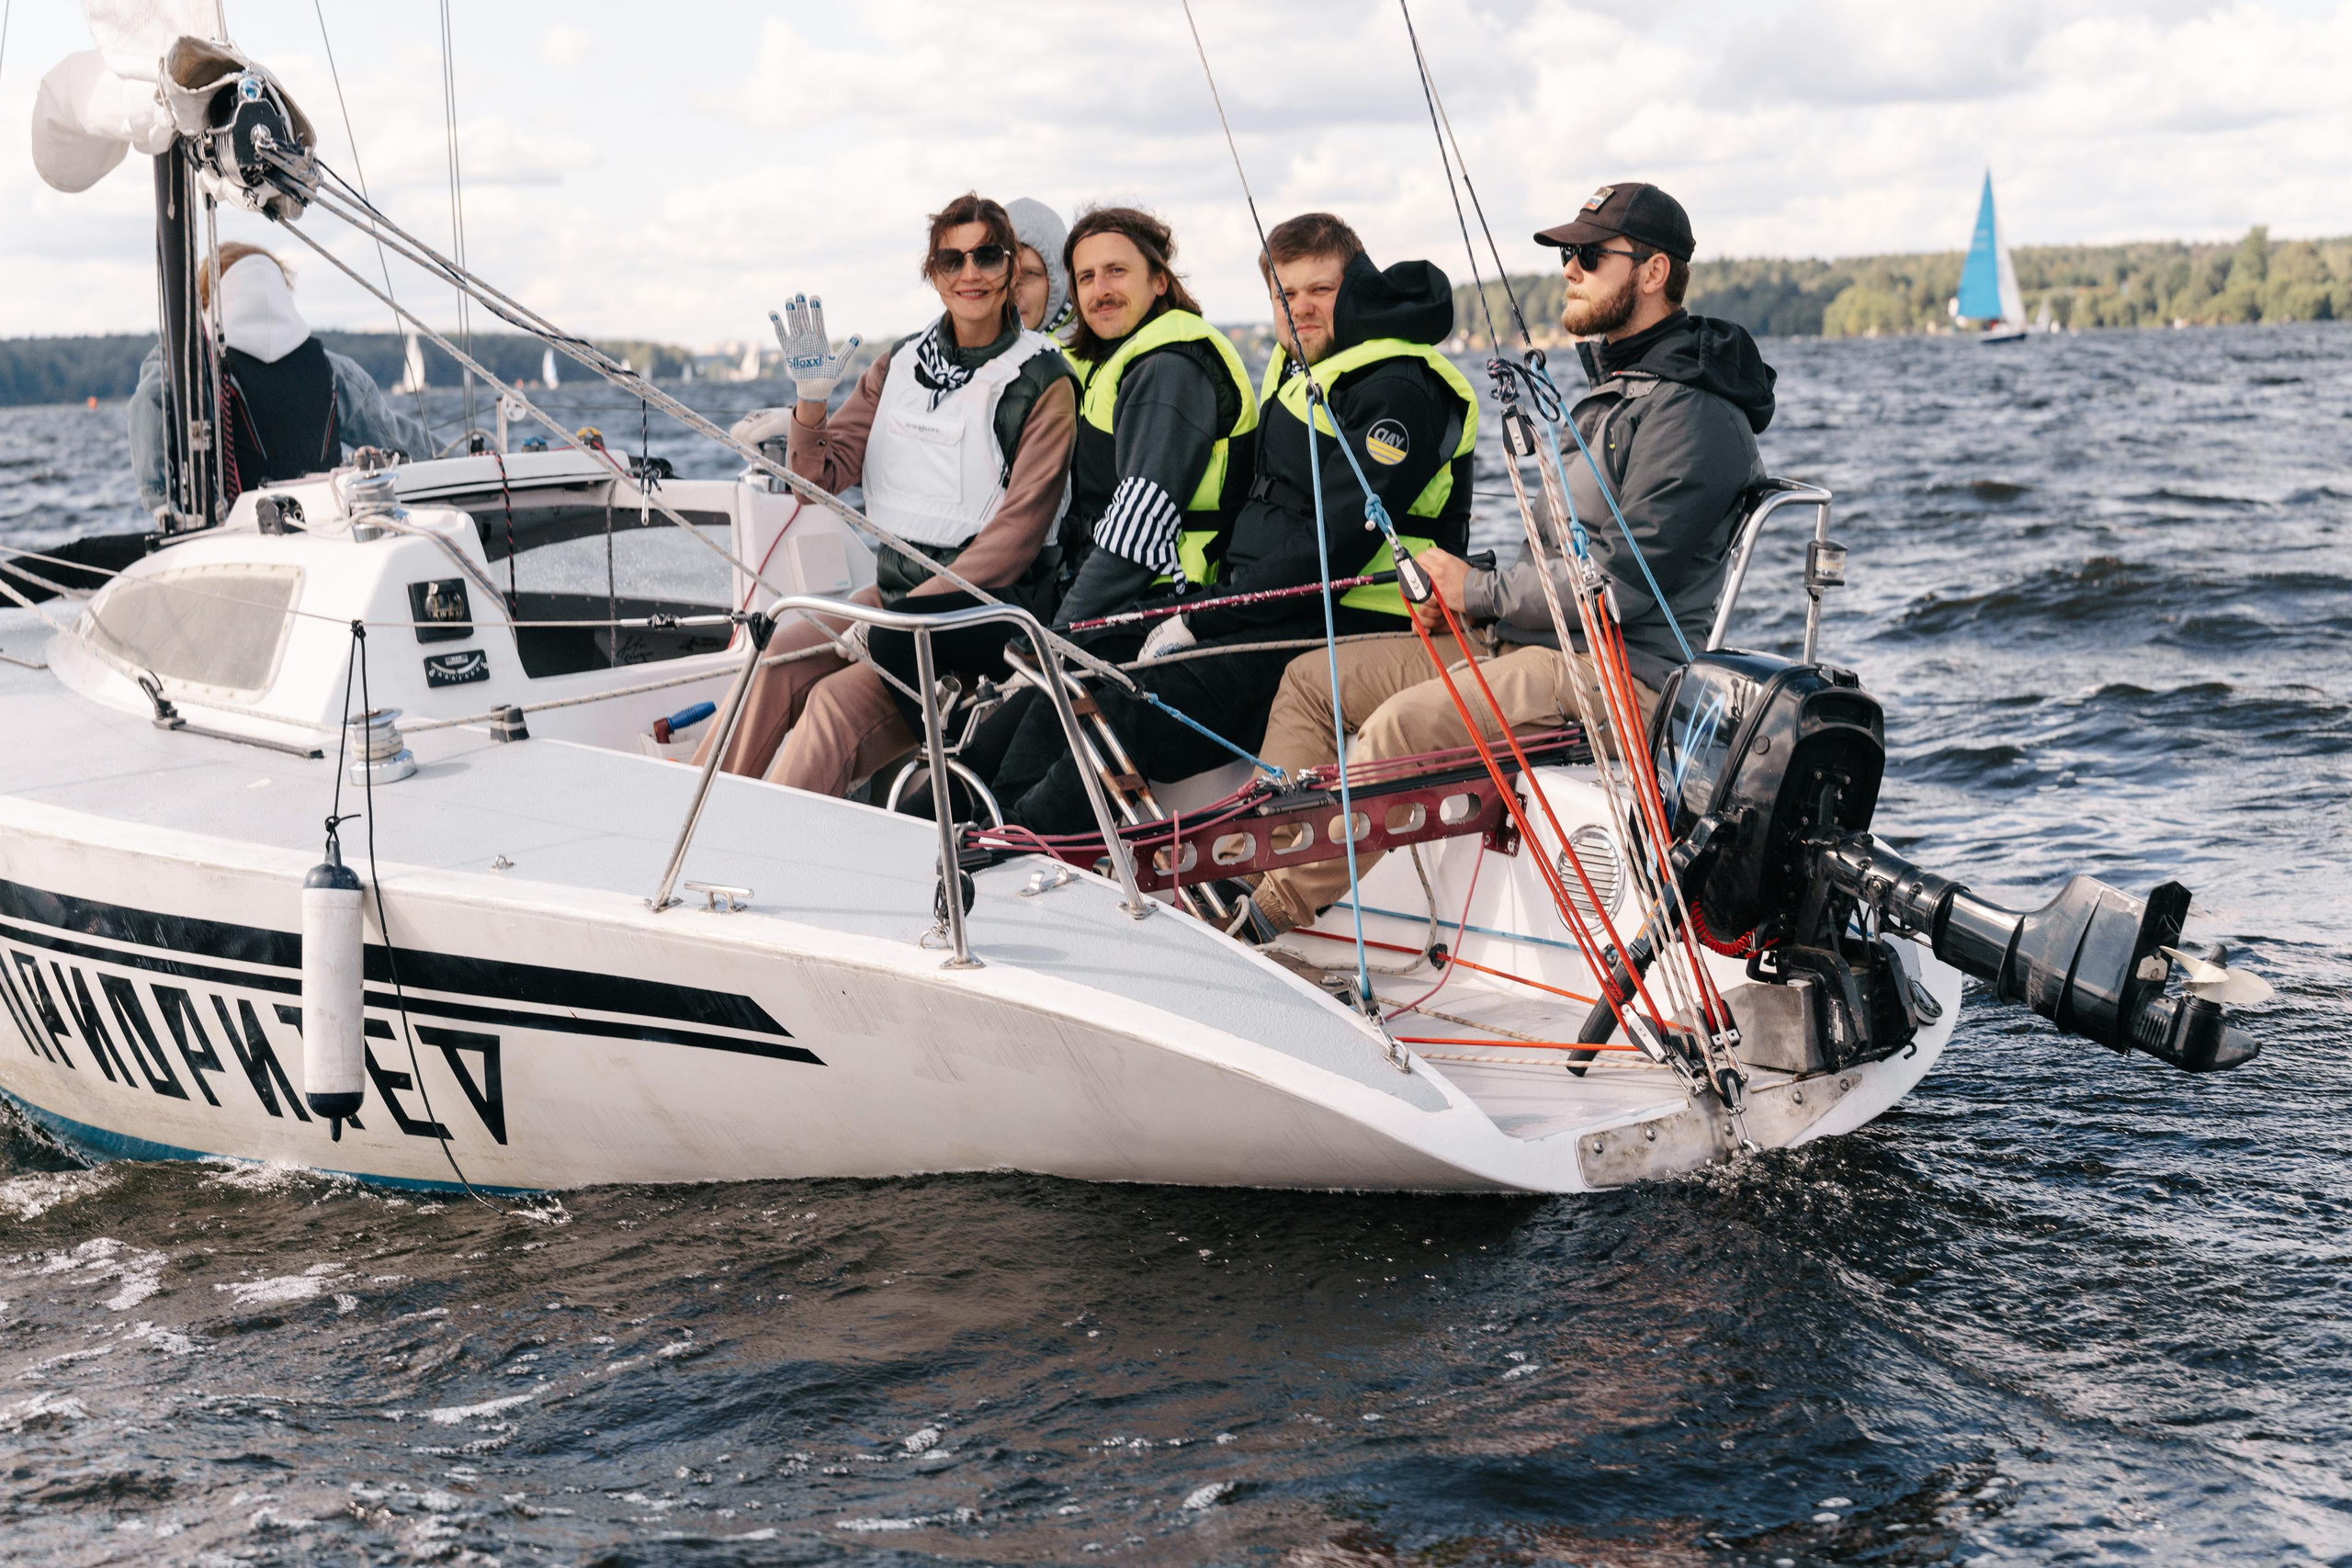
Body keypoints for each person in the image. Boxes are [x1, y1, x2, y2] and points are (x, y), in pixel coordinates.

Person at [1244, 181, 1778, 934]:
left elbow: (1618, 586)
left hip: (1620, 677)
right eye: (1567, 255)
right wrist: (1466, 596)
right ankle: (1248, 877)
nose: (1570, 269)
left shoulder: (1692, 413)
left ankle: (1264, 919)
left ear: (1654, 272)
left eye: (1590, 255)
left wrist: (1479, 590)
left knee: (1397, 728)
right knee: (1311, 682)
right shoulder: (1624, 389)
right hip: (1537, 643)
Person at [987, 212, 1475, 835]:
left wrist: (1202, 617)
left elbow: (1335, 545)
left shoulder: (1399, 387)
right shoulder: (1305, 368)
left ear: (1357, 289)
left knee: (1129, 712)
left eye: (1320, 290)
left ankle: (1014, 846)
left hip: (1350, 616)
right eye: (1285, 293)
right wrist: (1195, 608)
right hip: (1265, 606)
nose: (1300, 308)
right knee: (1074, 670)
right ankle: (977, 825)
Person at [700, 192, 1078, 796]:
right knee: (776, 657)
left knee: (831, 707)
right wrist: (811, 404)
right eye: (952, 260)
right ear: (934, 275)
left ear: (1010, 267)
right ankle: (684, 811)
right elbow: (817, 482)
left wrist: (895, 621)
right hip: (895, 598)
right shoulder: (899, 365)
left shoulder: (1045, 382)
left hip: (981, 620)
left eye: (987, 256)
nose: (970, 273)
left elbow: (1015, 541)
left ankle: (769, 844)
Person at [128, 242, 430, 518]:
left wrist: (160, 501)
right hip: (326, 519)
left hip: (237, 524)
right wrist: (451, 460)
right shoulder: (332, 368)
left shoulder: (191, 365)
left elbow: (148, 403)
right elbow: (398, 439)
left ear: (207, 299)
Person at [1006, 197, 1072, 337]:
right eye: (1006, 274)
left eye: (1029, 274)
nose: (1013, 292)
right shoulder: (966, 344)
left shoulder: (1091, 347)